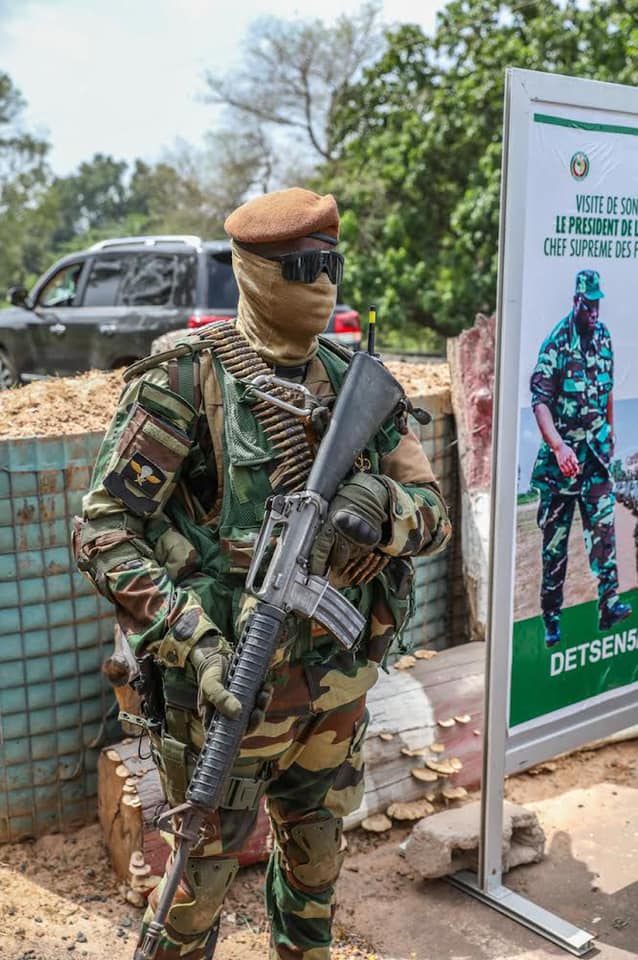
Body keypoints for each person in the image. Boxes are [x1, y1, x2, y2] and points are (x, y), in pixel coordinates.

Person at [74, 187, 451, 960]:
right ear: (253, 272)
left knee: (315, 875)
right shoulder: (186, 380)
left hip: (335, 693)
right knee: (195, 888)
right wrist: (195, 642)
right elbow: (102, 530)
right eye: (303, 267)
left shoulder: (360, 383)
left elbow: (433, 516)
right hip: (225, 700)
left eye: (333, 266)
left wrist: (383, 505)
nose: (323, 285)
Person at [530, 268, 631, 648]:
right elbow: (540, 402)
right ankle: (552, 618)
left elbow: (607, 389)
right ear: (576, 301)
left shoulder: (603, 337)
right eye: (588, 305)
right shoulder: (557, 343)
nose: (594, 312)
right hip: (562, 467)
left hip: (596, 462)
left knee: (604, 533)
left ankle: (610, 603)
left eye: (597, 304)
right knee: (555, 548)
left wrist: (610, 429)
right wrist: (558, 446)